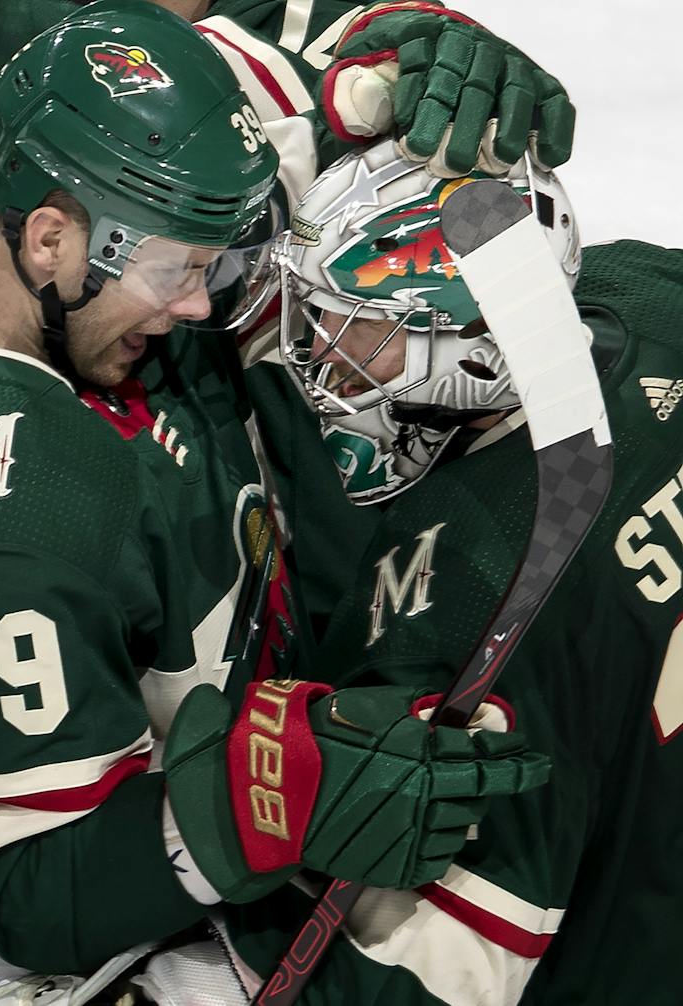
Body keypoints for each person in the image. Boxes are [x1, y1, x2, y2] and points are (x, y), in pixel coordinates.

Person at [0, 1, 549, 983]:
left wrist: (387, 73)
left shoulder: (33, 220)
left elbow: (238, 118)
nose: (201, 301)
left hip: (230, 671)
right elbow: (7, 897)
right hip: (94, 889)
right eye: (174, 270)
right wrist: (266, 798)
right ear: (48, 242)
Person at [216, 139, 683, 1004]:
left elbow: (441, 972)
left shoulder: (448, 583)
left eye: (352, 324)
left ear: (466, 348)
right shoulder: (647, 290)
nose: (312, 346)